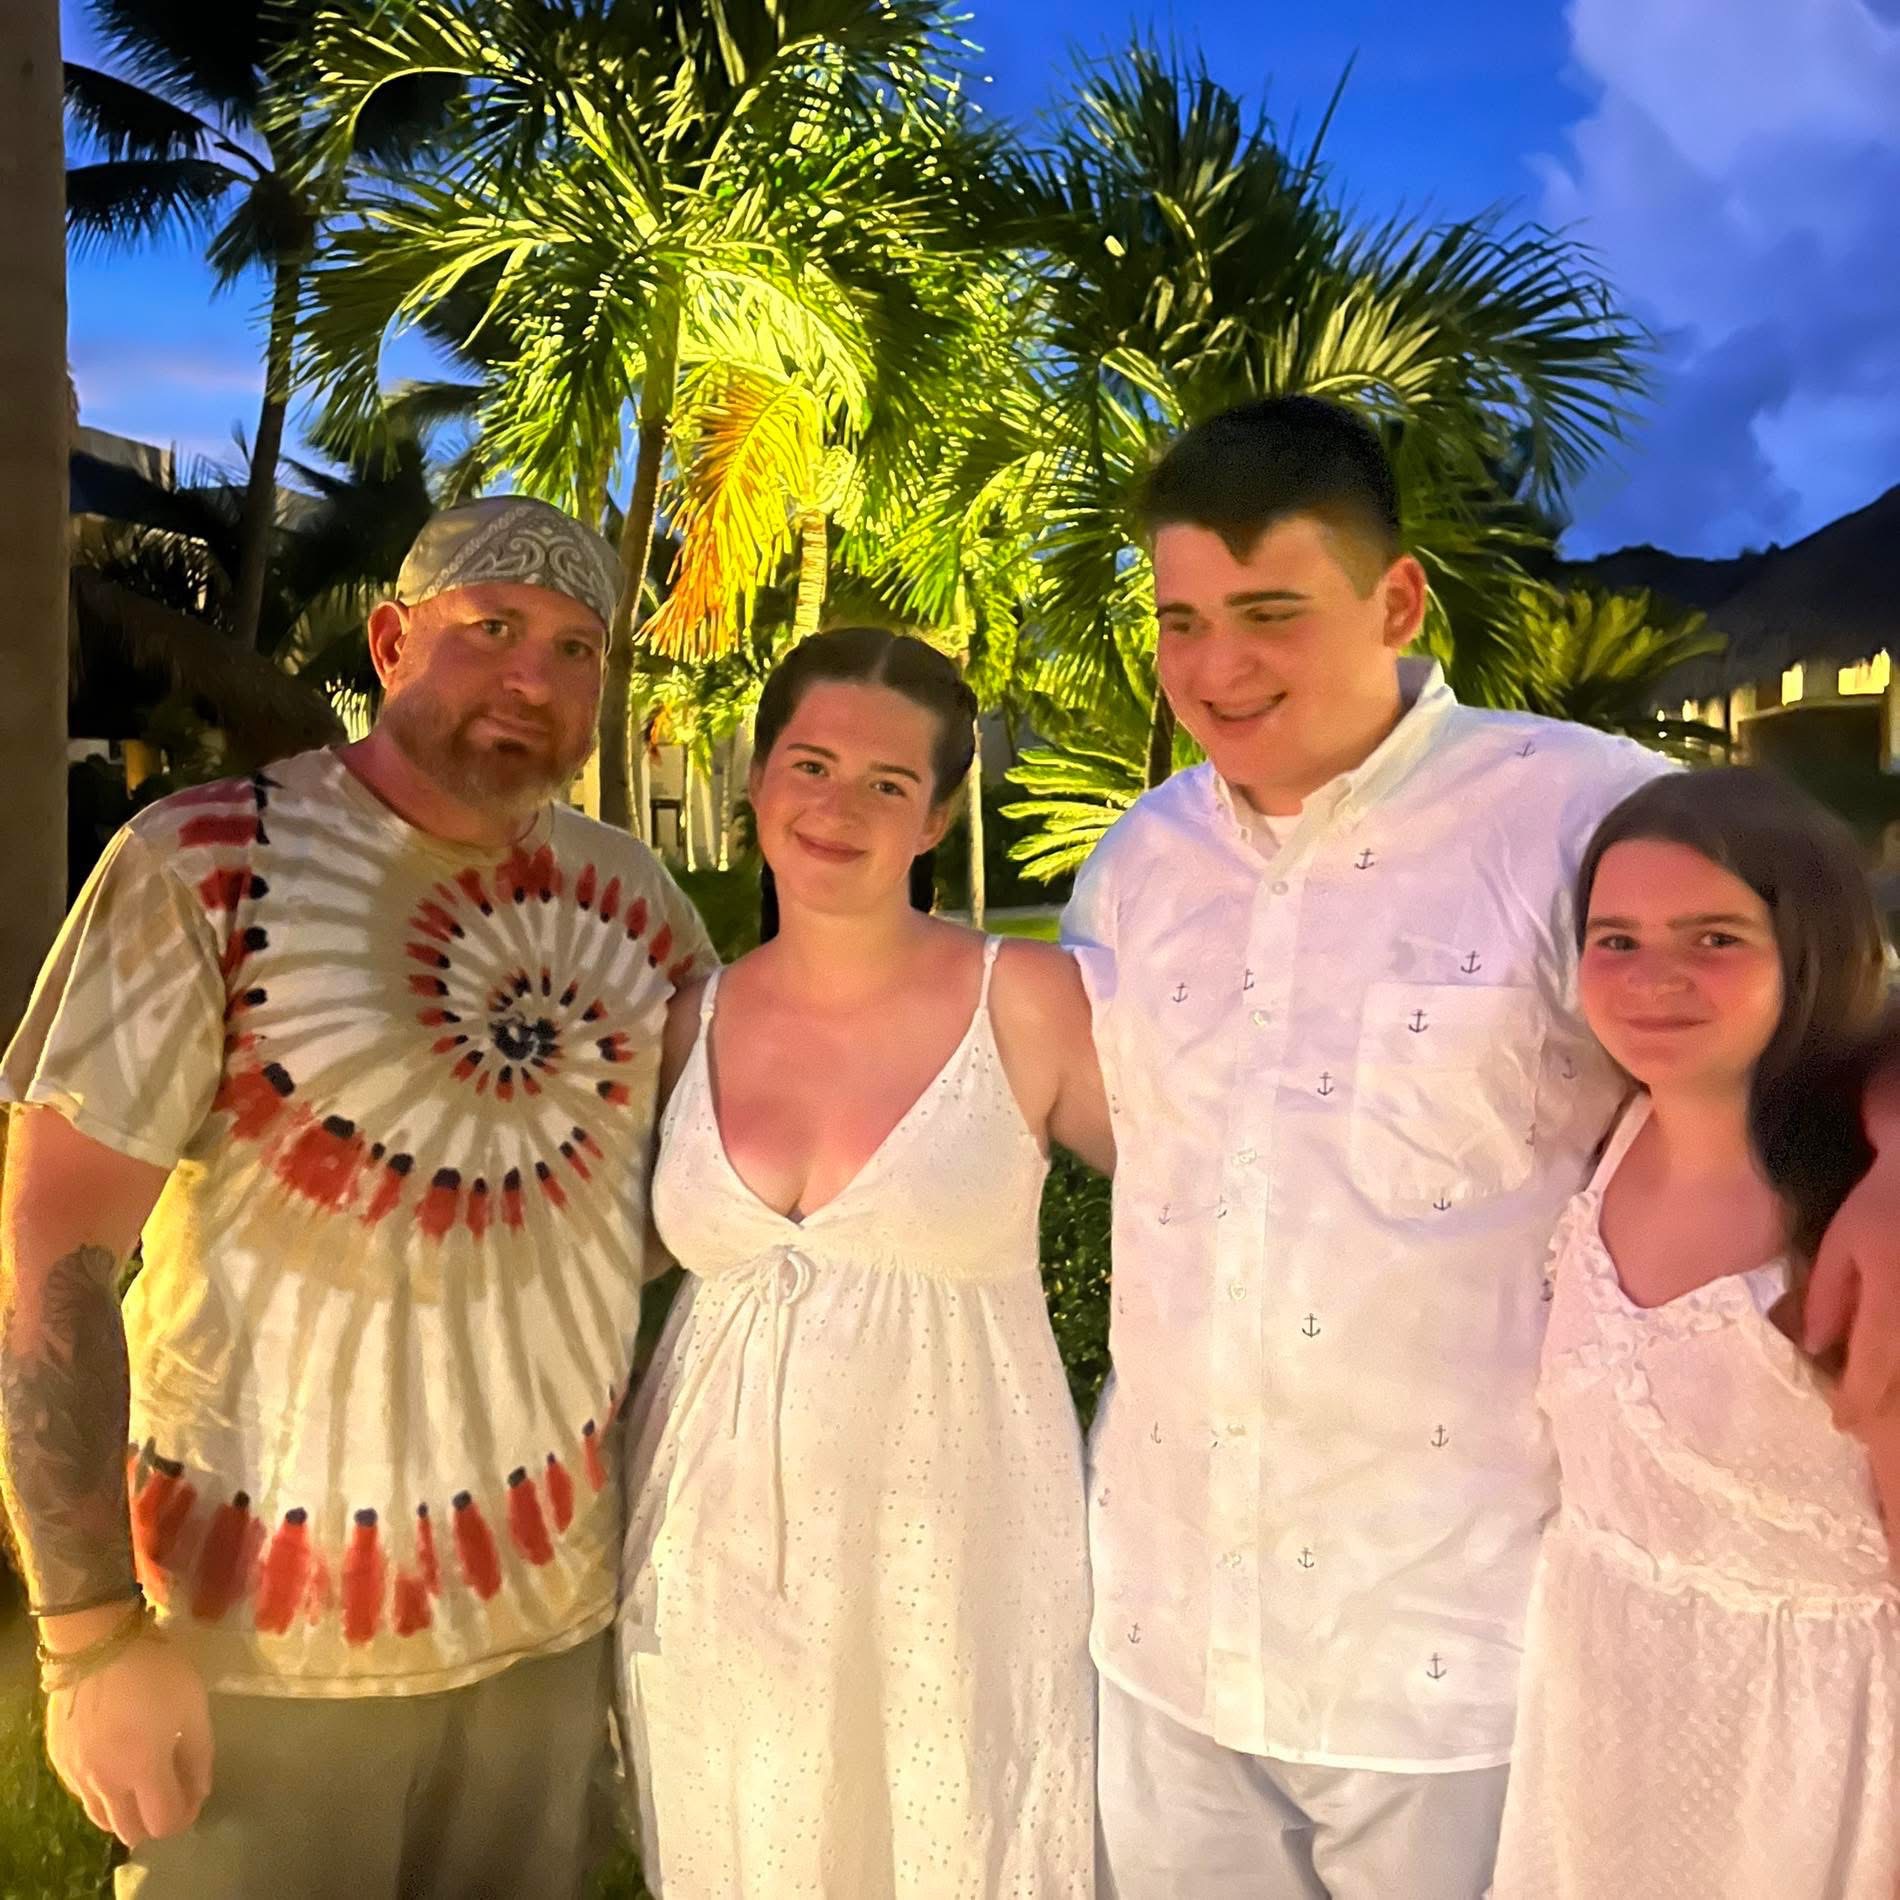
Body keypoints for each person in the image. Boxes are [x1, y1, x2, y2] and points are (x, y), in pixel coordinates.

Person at [1066, 395, 1900, 1898]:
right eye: (1181, 620)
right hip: (1167, 1624)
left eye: (1269, 612)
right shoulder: (1140, 862)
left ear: (1397, 601)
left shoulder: (1580, 809)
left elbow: (1831, 975)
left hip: (1456, 1659)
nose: (1216, 666)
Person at [0, 497, 712, 1899]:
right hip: (256, 1650)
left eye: (575, 649)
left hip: (547, 1635)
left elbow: (739, 1187)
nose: (533, 677)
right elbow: (51, 1248)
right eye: (490, 628)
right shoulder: (208, 865)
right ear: (389, 643)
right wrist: (86, 1632)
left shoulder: (635, 907)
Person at [616, 626, 1111, 1898]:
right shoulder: (686, 1018)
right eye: (811, 765)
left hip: (956, 1552)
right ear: (757, 778)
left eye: (887, 783)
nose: (838, 808)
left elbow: (1211, 1217)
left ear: (935, 816)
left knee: (961, 1838)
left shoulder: (1025, 1000)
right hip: (712, 1548)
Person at [1490, 768, 1900, 1899]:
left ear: (1808, 950)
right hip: (1602, 1726)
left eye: (1714, 938)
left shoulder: (1854, 1230)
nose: (1652, 979)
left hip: (1807, 1766)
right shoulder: (1612, 1133)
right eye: (1614, 940)